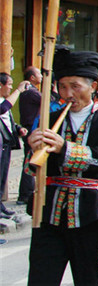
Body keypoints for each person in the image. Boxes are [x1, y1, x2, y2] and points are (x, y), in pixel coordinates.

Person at [24, 50, 98, 286]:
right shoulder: (50, 119)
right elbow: (33, 169)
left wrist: (65, 148)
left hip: (90, 214)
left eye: (75, 86)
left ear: (92, 86)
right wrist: (33, 147)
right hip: (49, 212)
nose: (68, 93)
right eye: (62, 86)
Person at [0, 73, 28, 217]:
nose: (11, 88)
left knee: (3, 176)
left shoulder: (3, 100)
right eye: (9, 85)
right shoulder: (4, 103)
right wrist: (18, 90)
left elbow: (7, 120)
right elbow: (3, 109)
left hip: (6, 143)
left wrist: (18, 129)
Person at [16, 66, 42, 205]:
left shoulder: (29, 91)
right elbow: (48, 102)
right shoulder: (32, 92)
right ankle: (25, 194)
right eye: (39, 74)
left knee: (29, 160)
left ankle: (25, 193)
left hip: (28, 129)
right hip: (31, 129)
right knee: (30, 161)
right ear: (32, 77)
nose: (42, 76)